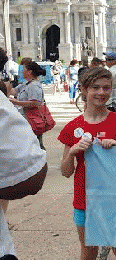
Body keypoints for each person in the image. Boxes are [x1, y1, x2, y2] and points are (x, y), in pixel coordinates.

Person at [58, 67, 116, 260]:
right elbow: (66, 171)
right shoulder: (72, 127)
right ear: (84, 89)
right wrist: (73, 152)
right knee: (88, 251)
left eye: (106, 88)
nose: (101, 93)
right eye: (96, 88)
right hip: (85, 200)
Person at [0, 47, 48, 260]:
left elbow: (36, 104)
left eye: (24, 68)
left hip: (31, 124)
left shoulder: (34, 86)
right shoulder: (21, 86)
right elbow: (30, 174)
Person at [9, 61, 48, 150]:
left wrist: (17, 102)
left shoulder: (34, 86)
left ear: (29, 72)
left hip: (32, 120)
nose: (22, 71)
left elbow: (35, 103)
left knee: (35, 146)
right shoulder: (26, 84)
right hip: (26, 119)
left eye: (23, 70)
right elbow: (13, 91)